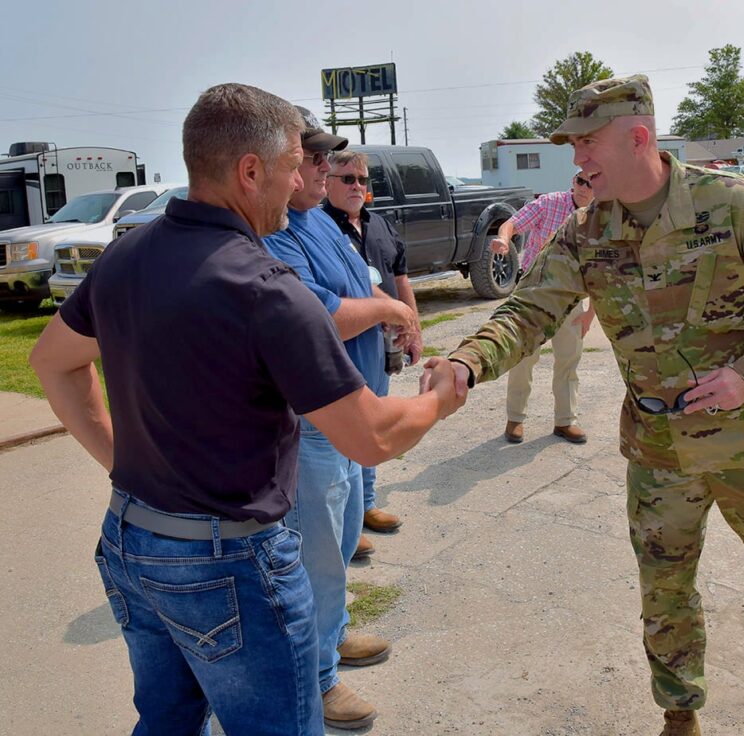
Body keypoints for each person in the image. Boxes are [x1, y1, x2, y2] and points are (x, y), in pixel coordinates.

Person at [28, 84, 465, 736]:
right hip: (229, 564)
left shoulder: (126, 255)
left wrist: (121, 462)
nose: (301, 179)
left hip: (130, 541)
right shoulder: (265, 288)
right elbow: (371, 437)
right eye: (293, 164)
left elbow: (53, 361)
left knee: (168, 721)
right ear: (250, 171)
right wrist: (440, 399)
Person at [445, 75, 744, 736]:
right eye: (572, 145)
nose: (576, 159)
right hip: (659, 450)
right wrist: (467, 362)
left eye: (587, 143)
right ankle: (679, 710)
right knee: (665, 591)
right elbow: (529, 311)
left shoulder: (733, 204)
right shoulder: (587, 232)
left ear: (638, 136)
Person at [263, 107, 419, 730]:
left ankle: (330, 642)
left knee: (344, 534)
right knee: (317, 554)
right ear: (280, 166)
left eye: (330, 158)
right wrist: (385, 308)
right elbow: (320, 316)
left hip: (354, 406)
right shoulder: (276, 232)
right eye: (315, 158)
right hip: (319, 420)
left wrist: (390, 308)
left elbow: (366, 284)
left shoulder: (318, 219)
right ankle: (317, 680)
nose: (328, 168)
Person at [323, 149, 422, 544]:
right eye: (347, 179)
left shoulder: (379, 224)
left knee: (374, 423)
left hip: (381, 348)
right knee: (343, 432)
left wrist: (412, 327)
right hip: (343, 345)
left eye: (363, 180)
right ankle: (346, 520)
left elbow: (402, 277)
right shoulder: (320, 229)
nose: (357, 187)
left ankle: (365, 505)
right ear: (326, 182)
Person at [490, 173, 595, 444]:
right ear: (572, 181)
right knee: (523, 358)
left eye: (592, 183)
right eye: (581, 181)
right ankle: (515, 419)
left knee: (568, 361)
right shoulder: (549, 204)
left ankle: (565, 421)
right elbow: (512, 224)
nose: (585, 188)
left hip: (571, 296)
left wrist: (589, 314)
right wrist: (504, 240)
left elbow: (603, 270)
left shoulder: (600, 217)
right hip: (533, 292)